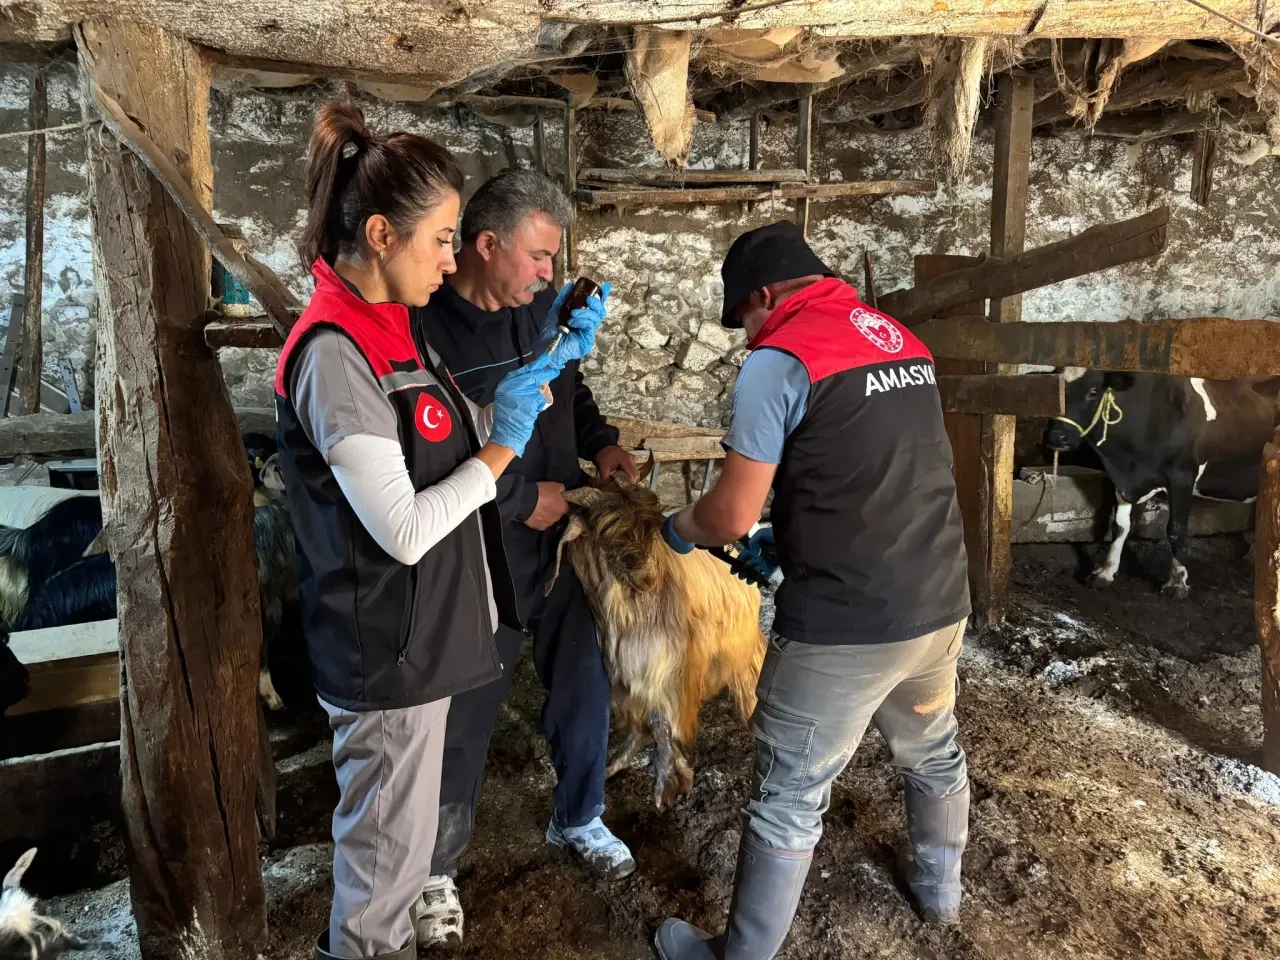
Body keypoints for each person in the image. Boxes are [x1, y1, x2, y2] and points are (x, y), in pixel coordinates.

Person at [272, 102, 601, 960]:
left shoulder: (393, 333)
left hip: (420, 642)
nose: (454, 260)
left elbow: (439, 444)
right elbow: (406, 528)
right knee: (380, 894)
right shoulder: (337, 353)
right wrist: (501, 452)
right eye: (444, 240)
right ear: (382, 235)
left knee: (396, 863)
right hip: (387, 652)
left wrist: (541, 373)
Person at [654, 220, 972, 960]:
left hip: (845, 624)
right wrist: (790, 537)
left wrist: (680, 528)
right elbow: (878, 472)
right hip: (938, 601)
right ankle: (940, 895)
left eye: (743, 318)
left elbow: (730, 515)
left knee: (789, 795)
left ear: (763, 295)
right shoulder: (902, 342)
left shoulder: (780, 361)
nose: (745, 337)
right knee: (933, 749)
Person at [409, 169, 637, 948]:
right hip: (478, 551)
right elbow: (420, 459)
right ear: (486, 245)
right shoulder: (424, 332)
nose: (550, 272)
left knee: (585, 679)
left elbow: (571, 385)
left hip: (562, 537)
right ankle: (435, 867)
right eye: (539, 256)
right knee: (464, 709)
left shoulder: (541, 312)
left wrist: (602, 444)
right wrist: (512, 498)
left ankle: (579, 816)